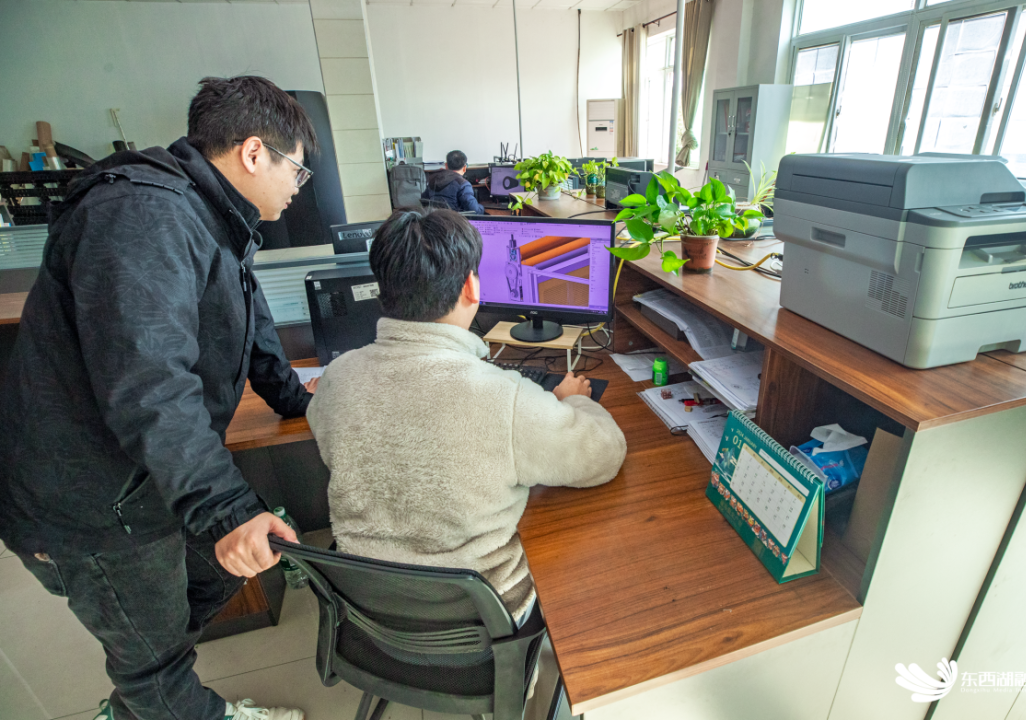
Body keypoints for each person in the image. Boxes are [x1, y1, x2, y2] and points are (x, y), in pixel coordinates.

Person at [0, 76, 319, 720]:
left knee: (207, 586)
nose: (297, 187)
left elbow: (251, 325)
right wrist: (227, 509)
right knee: (154, 662)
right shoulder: (143, 214)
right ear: (254, 153)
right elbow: (149, 382)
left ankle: (143, 698)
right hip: (90, 503)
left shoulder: (212, 216)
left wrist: (301, 402)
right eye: (297, 170)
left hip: (144, 482)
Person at [307, 208, 626, 624]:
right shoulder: (504, 397)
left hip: (366, 607)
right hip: (481, 616)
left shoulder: (338, 376)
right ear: (472, 287)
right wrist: (574, 401)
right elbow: (603, 455)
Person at [421, 150, 485, 214]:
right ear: (464, 167)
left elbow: (424, 201)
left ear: (446, 165)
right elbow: (474, 211)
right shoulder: (463, 184)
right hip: (454, 219)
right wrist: (482, 207)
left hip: (435, 218)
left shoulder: (433, 180)